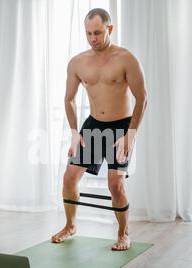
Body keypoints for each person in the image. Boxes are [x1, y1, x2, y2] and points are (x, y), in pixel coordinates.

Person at [51, 8, 147, 251]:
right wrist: (74, 132)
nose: (93, 38)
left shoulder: (126, 59)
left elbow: (142, 98)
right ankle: (70, 225)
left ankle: (124, 233)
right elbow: (68, 99)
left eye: (98, 33)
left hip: (121, 126)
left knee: (115, 183)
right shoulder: (78, 62)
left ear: (109, 29)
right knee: (69, 176)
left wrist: (131, 135)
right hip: (93, 125)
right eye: (88, 34)